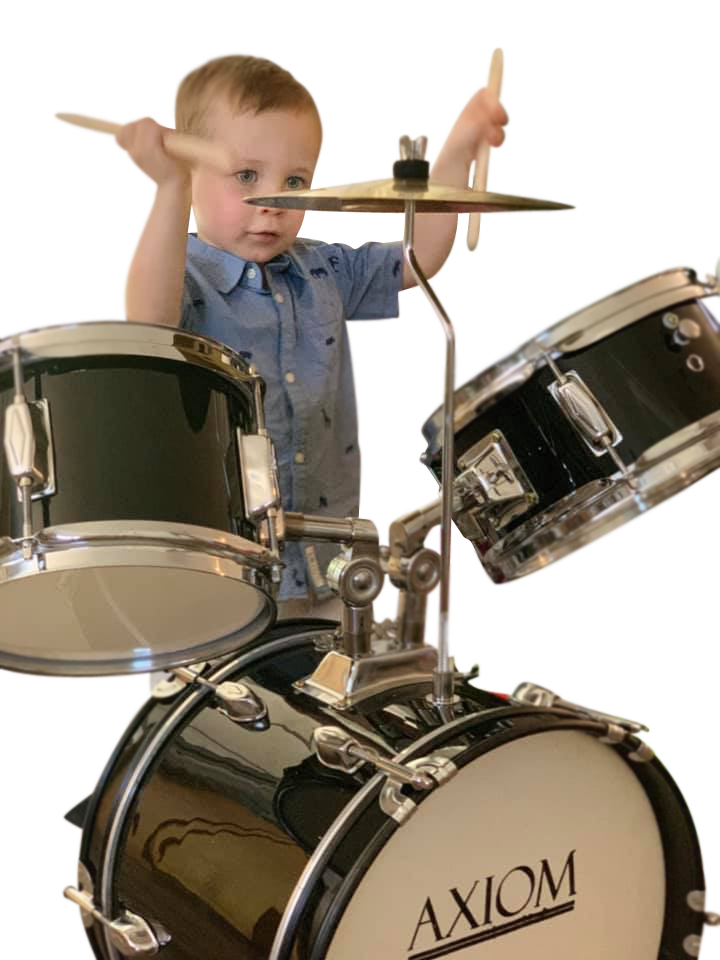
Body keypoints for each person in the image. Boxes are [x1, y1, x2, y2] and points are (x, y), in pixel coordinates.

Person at [112, 51, 510, 686]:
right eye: (246, 175)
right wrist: (166, 189)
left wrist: (458, 144)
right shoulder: (184, 278)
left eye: (295, 181)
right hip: (218, 578)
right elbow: (147, 319)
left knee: (327, 718)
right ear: (189, 167)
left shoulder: (325, 270)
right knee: (217, 725)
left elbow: (422, 258)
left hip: (329, 567)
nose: (272, 203)